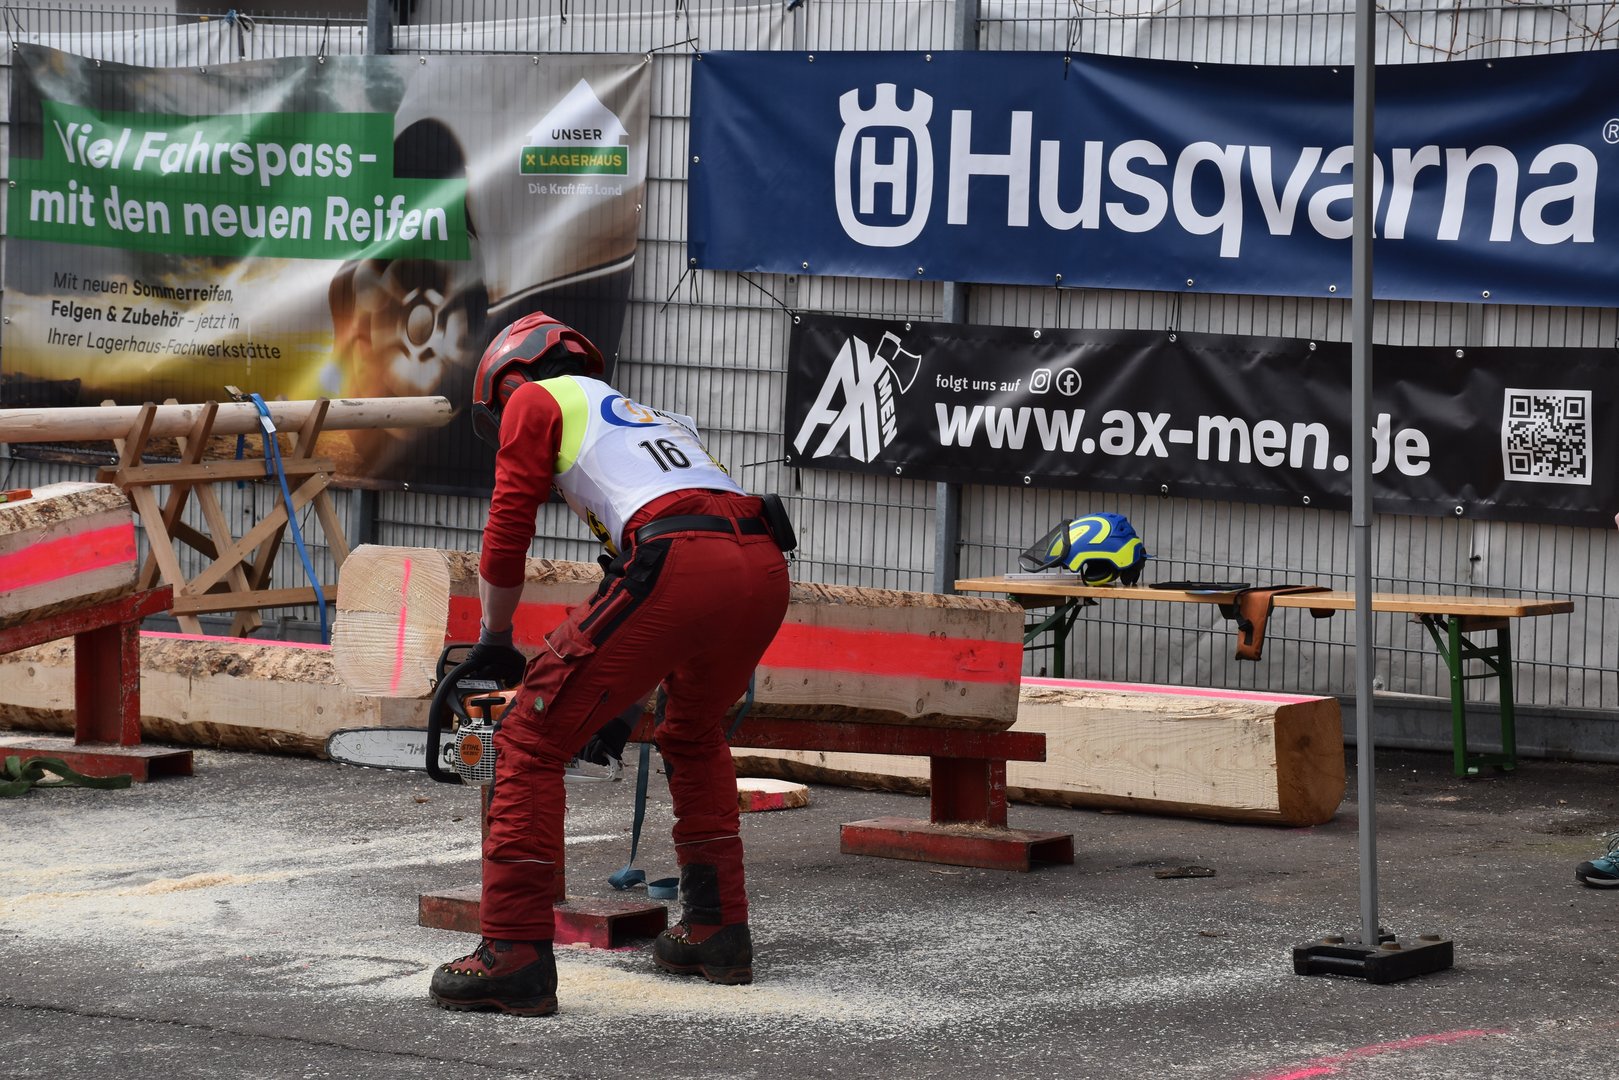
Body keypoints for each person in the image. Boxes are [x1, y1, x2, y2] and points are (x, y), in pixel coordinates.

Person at [427, 311, 791, 1016]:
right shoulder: (656, 420)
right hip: (761, 562)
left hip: (678, 558)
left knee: (528, 737)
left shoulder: (536, 400)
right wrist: (615, 696)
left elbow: (507, 530)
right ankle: (717, 928)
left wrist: (494, 637)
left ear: (508, 378)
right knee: (693, 735)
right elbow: (646, 585)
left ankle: (513, 952)